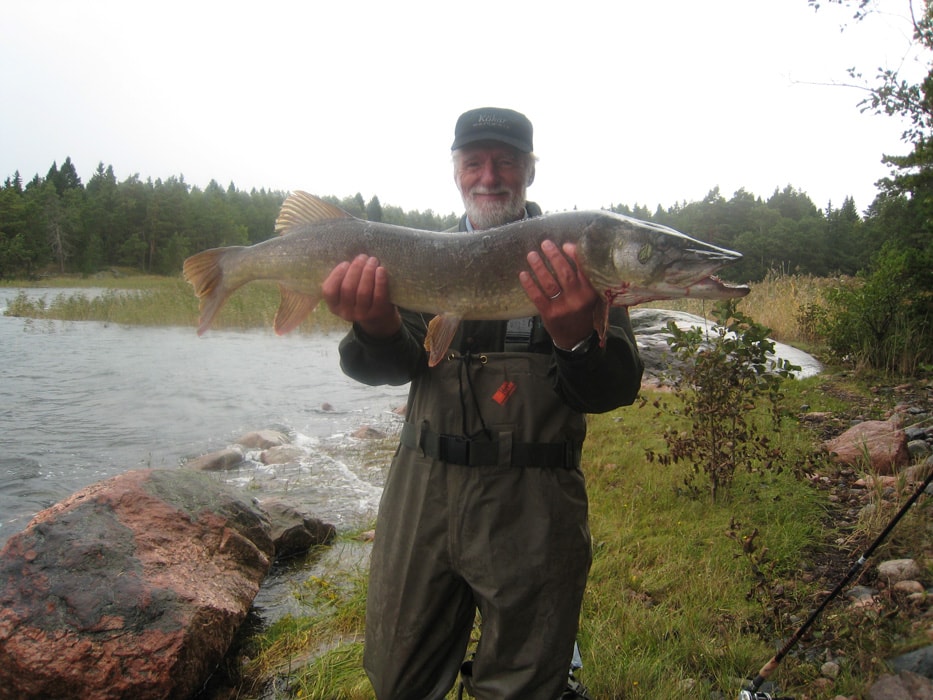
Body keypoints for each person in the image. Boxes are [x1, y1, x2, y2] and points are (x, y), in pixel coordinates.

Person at [321, 107, 644, 700]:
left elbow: (614, 387)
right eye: (475, 162)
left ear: (529, 172)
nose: (489, 176)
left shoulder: (579, 256)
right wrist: (375, 326)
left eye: (506, 162)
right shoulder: (422, 257)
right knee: (397, 676)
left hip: (534, 500)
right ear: (456, 172)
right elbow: (382, 368)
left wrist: (575, 336)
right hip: (424, 490)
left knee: (523, 682)